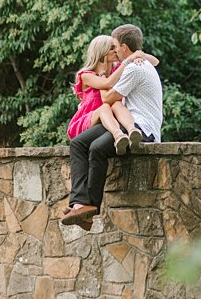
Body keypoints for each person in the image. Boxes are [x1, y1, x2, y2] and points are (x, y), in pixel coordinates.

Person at [62, 24, 163, 229]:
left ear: (124, 47)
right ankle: (81, 204)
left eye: (115, 46)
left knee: (97, 148)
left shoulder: (134, 67)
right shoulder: (130, 65)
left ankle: (90, 209)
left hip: (141, 127)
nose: (114, 51)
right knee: (79, 144)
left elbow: (108, 96)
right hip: (122, 121)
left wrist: (129, 61)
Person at [68, 34, 159, 154]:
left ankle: (131, 130)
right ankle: (118, 135)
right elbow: (107, 83)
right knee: (106, 106)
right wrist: (127, 61)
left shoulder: (117, 69)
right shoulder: (86, 75)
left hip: (110, 121)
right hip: (88, 119)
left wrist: (139, 56)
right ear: (102, 52)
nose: (116, 50)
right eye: (112, 48)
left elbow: (155, 61)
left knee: (116, 103)